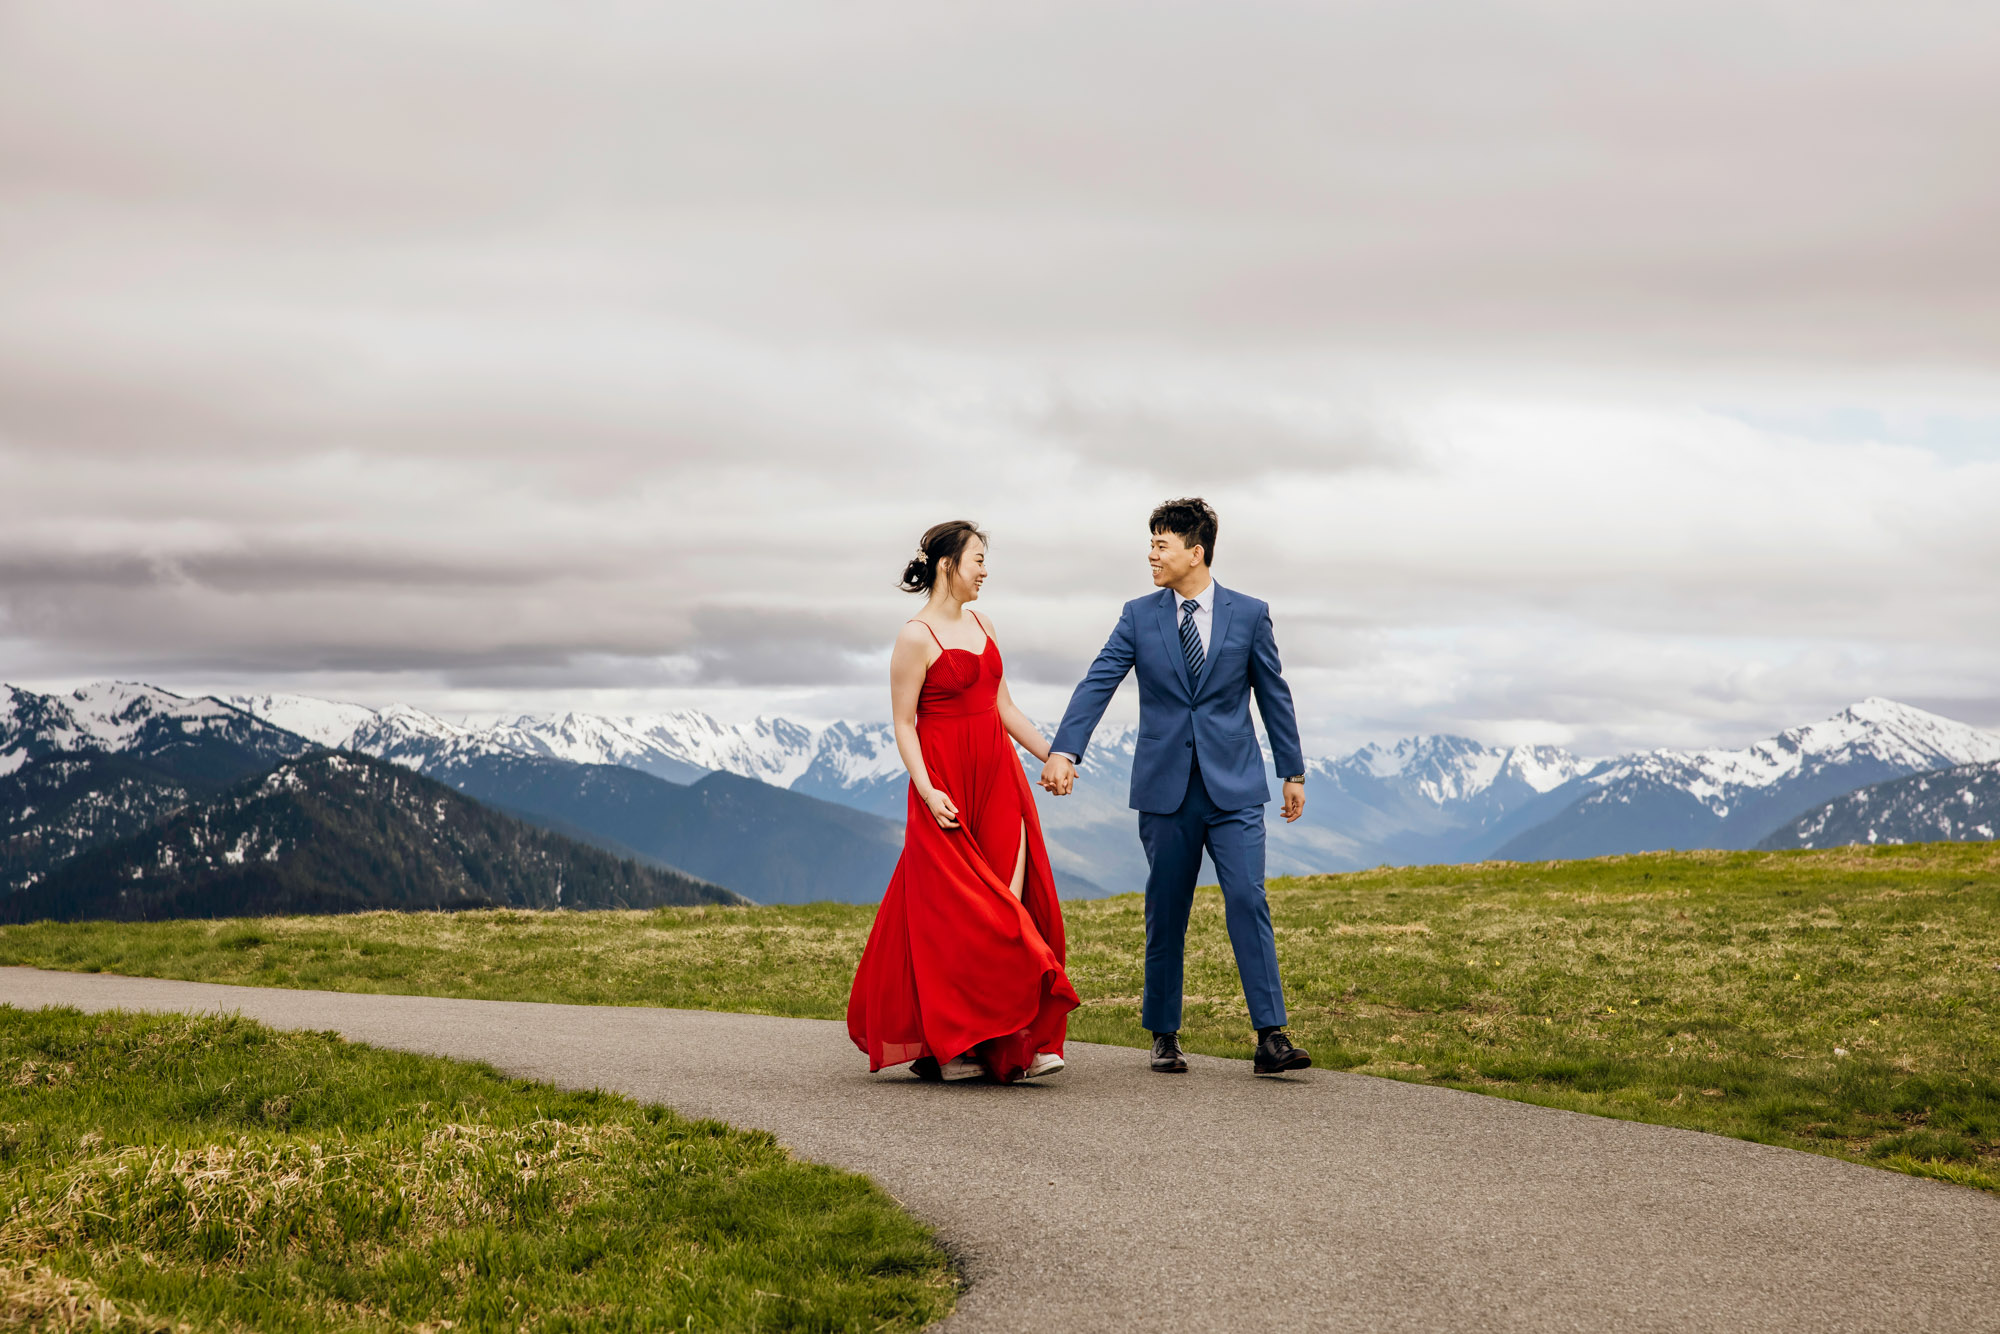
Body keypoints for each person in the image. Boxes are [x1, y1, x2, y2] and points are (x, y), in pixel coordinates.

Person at [1042, 498, 1312, 1076]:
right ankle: (1164, 1033)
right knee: (1167, 911)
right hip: (1166, 790)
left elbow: (1273, 693)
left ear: (1196, 551)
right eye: (1151, 543)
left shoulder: (1250, 613)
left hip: (1235, 788)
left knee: (1248, 899)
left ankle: (1271, 1036)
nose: (1151, 554)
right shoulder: (1139, 615)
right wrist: (1065, 750)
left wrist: (1291, 770)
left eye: (1161, 544)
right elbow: (1099, 681)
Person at [846, 520, 1080, 1083]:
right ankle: (954, 1045)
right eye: (977, 559)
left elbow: (1005, 708)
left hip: (999, 779)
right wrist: (927, 792)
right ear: (947, 564)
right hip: (943, 785)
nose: (984, 570)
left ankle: (1014, 1041)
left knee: (1007, 909)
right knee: (956, 918)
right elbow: (904, 725)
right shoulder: (914, 637)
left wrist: (1056, 754)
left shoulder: (983, 622)